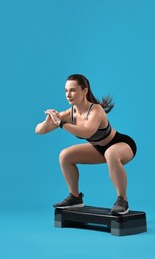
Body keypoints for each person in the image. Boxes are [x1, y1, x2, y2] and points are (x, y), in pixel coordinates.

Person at [35, 74, 137, 215]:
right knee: (65, 155)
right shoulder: (69, 114)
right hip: (98, 149)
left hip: (121, 144)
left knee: (111, 153)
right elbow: (39, 131)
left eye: (73, 90)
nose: (68, 95)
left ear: (84, 91)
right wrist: (48, 120)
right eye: (66, 91)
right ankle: (75, 197)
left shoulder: (96, 110)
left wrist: (61, 123)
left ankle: (122, 200)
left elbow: (87, 132)